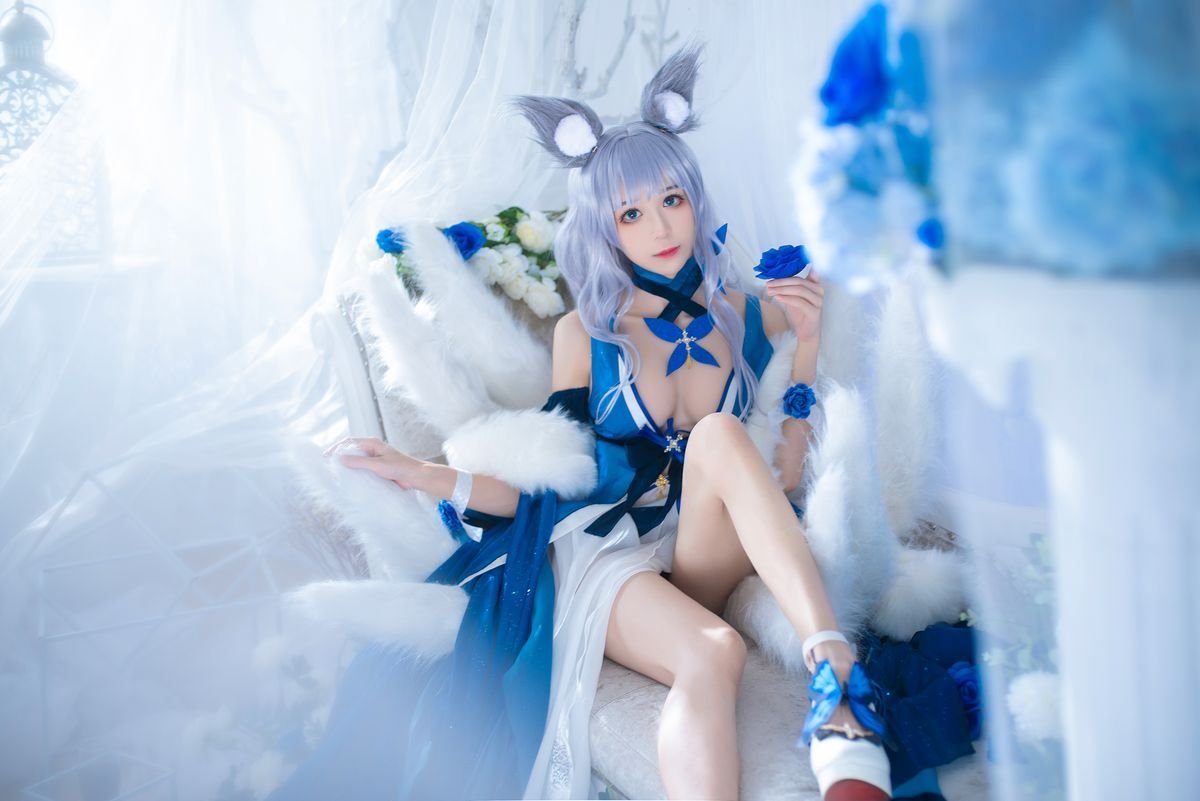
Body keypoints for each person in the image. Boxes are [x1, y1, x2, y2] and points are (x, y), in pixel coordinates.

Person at [270, 45, 891, 801]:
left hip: (703, 550)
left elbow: (785, 477)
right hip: (613, 553)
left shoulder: (751, 315)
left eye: (672, 199)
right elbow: (550, 485)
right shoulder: (586, 337)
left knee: (721, 435)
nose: (659, 226)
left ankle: (835, 674)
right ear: (605, 229)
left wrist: (809, 343)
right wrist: (421, 473)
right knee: (713, 651)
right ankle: (840, 698)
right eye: (631, 213)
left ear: (696, 200)